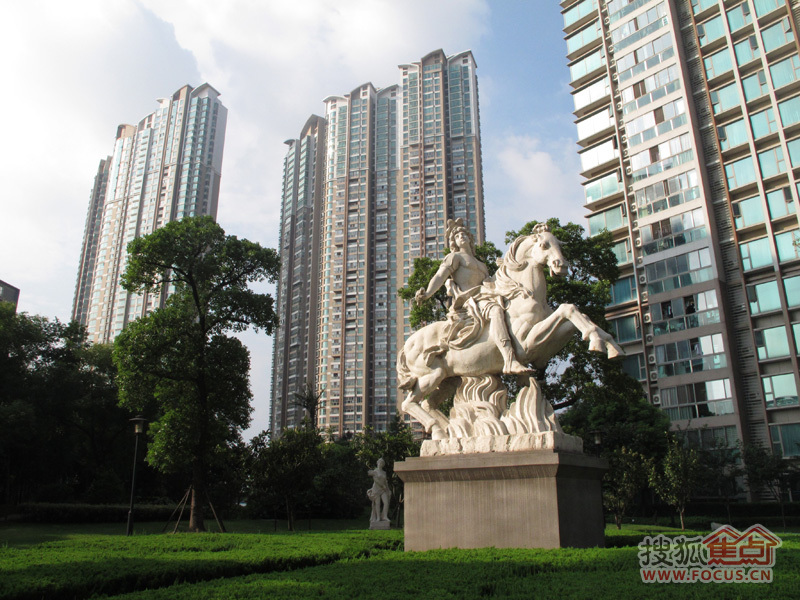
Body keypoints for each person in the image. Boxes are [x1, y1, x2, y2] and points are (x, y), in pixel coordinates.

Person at [414, 218, 528, 374]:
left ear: (469, 238)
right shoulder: (455, 257)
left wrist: (505, 268)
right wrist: (427, 293)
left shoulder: (481, 264)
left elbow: (491, 284)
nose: (461, 236)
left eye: (464, 234)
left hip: (485, 296)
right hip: (469, 301)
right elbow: (440, 276)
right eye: (457, 236)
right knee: (495, 310)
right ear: (454, 242)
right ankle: (509, 360)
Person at [367, 458, 391, 523]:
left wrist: (388, 489)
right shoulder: (375, 471)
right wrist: (382, 485)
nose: (380, 464)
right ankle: (378, 517)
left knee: (386, 502)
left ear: (383, 465)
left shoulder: (384, 472)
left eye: (382, 463)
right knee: (377, 503)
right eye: (379, 463)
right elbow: (376, 480)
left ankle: (384, 516)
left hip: (383, 489)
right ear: (377, 463)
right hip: (376, 489)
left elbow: (385, 481)